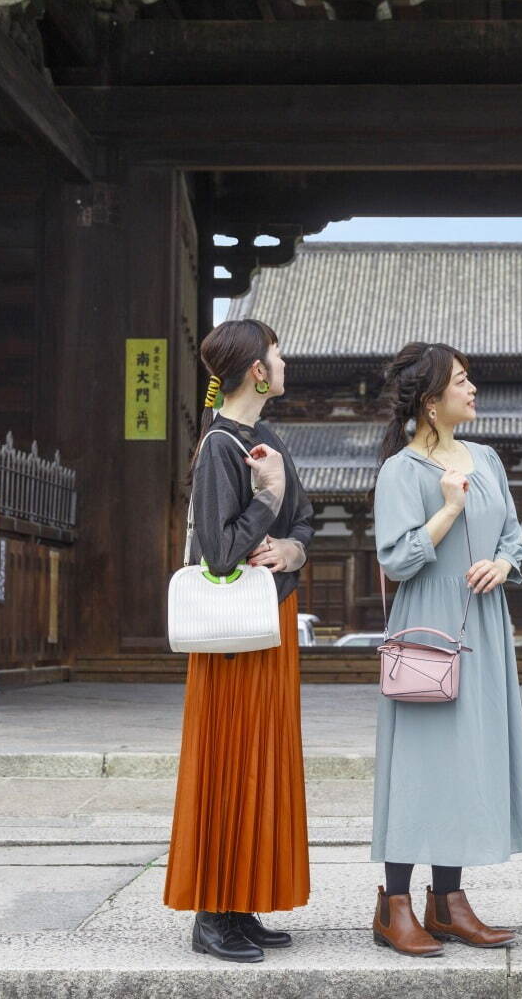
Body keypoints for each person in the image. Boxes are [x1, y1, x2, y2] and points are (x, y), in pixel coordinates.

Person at [368, 341, 522, 958]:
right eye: (462, 381)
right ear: (431, 401)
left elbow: (516, 539)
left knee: (468, 761)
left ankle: (449, 901)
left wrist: (502, 563)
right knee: (418, 764)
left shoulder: (487, 457)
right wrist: (448, 510)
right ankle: (395, 905)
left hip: (483, 626)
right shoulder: (400, 471)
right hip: (427, 629)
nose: (473, 389)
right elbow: (398, 558)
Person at [163, 318, 314, 963]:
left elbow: (305, 516)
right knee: (229, 760)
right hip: (233, 634)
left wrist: (292, 545)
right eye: (276, 354)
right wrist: (267, 499)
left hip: (270, 619)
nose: (283, 362)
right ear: (257, 370)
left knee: (260, 759)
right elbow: (220, 554)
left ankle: (242, 902)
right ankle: (212, 915)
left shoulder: (266, 436)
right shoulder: (220, 445)